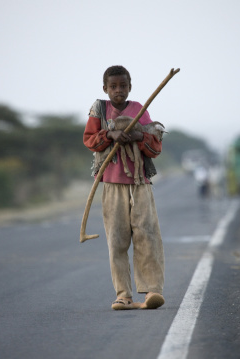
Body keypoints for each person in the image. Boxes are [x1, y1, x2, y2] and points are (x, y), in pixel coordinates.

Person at [83, 65, 165, 310]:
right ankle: (124, 295)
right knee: (117, 240)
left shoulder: (139, 110)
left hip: (140, 184)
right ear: (105, 88)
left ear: (130, 86)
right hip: (111, 184)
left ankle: (152, 291)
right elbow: (90, 140)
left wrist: (139, 137)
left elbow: (155, 146)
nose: (118, 91)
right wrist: (110, 135)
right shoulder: (99, 110)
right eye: (113, 86)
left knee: (147, 236)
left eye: (123, 86)